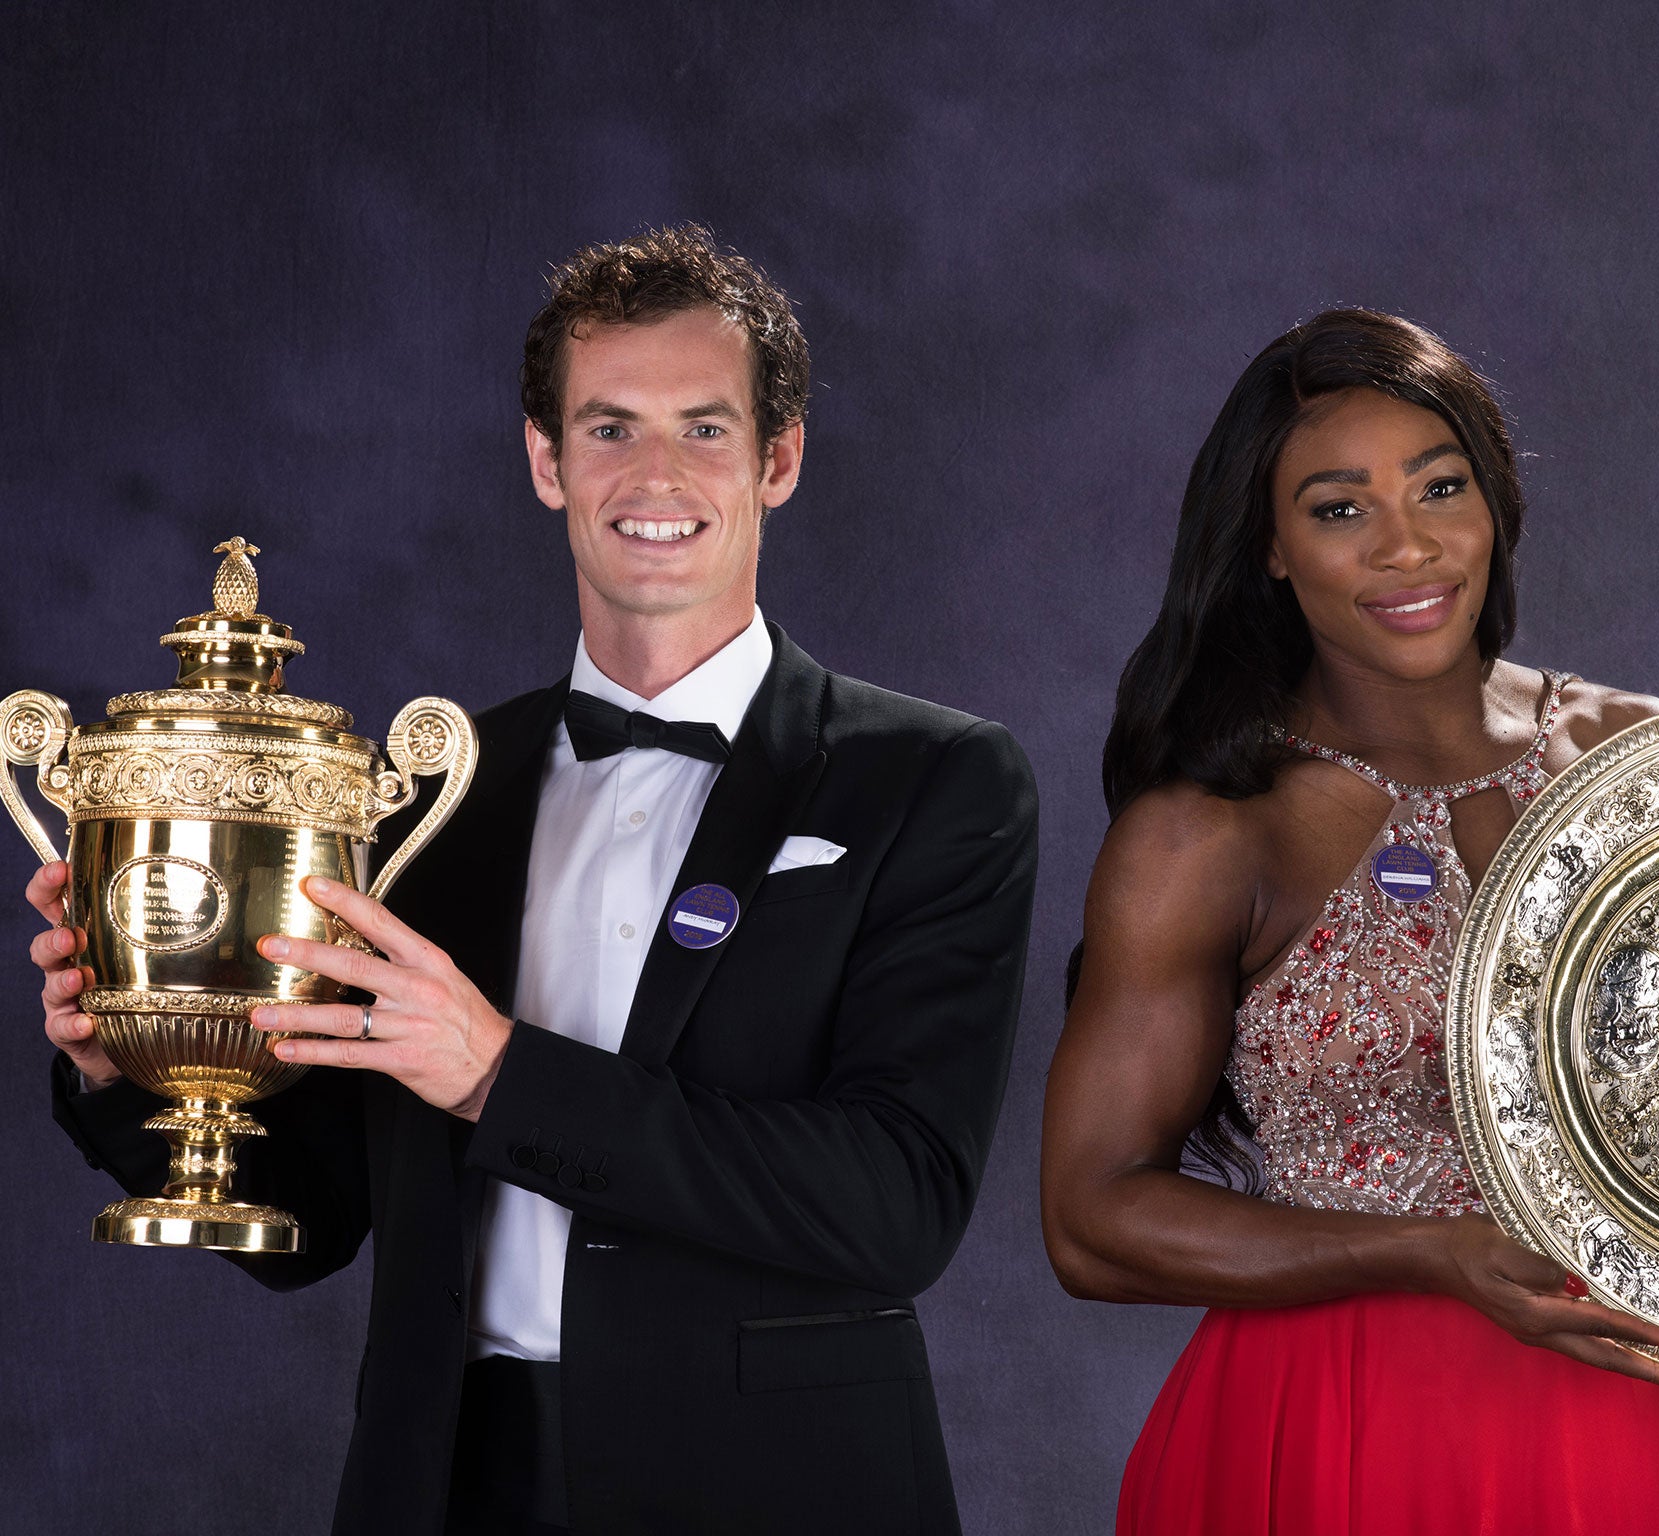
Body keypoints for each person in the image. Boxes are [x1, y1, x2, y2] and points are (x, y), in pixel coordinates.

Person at [32, 225, 1038, 1536]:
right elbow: (319, 1220)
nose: (654, 475)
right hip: (450, 1483)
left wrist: (503, 1075)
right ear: (545, 460)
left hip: (778, 1488)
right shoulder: (424, 797)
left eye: (705, 428)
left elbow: (896, 1204)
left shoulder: (936, 780)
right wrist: (131, 1071)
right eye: (609, 428)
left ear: (778, 458)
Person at [1038, 309, 1659, 1535]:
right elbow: (1091, 1224)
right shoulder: (1209, 829)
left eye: (1438, 487)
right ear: (1269, 548)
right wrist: (1422, 1250)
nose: (1406, 548)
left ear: (1495, 502)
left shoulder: (1644, 758)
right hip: (1328, 1425)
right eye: (1339, 508)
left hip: (1605, 1423)